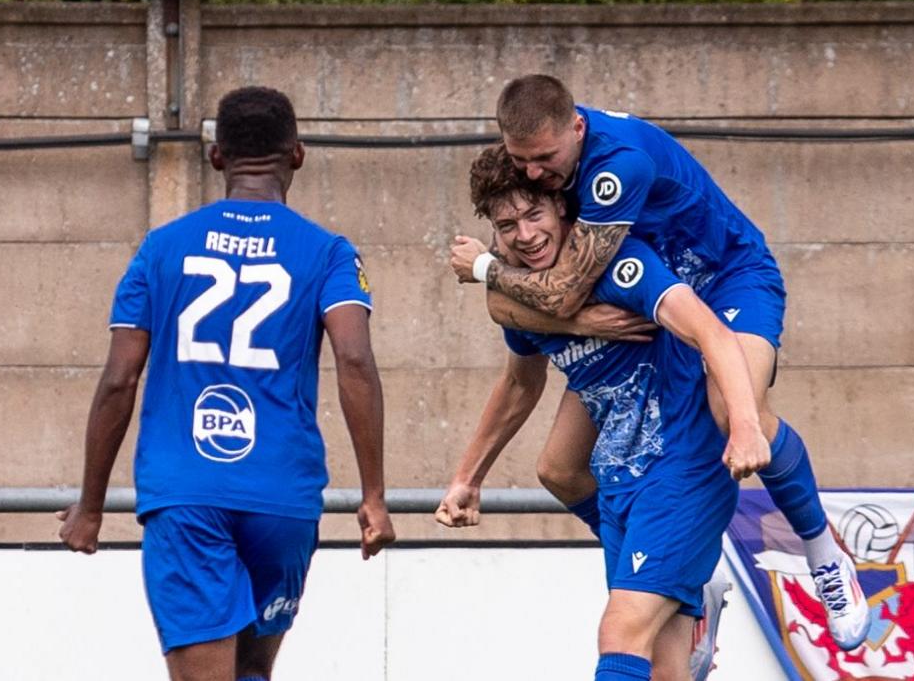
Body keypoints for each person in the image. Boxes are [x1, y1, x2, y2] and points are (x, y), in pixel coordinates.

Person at [449, 74, 868, 652]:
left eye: (544, 160)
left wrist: (486, 274)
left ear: (576, 128)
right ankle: (678, 566)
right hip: (655, 305)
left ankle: (823, 551)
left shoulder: (615, 169)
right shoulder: (550, 183)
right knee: (559, 468)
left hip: (726, 276)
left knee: (730, 406)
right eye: (524, 163)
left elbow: (564, 293)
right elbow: (530, 332)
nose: (536, 173)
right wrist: (468, 477)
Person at [57, 86, 395, 681]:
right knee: (250, 674)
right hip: (282, 497)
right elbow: (355, 361)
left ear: (215, 156)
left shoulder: (161, 249)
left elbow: (119, 380)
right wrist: (373, 496)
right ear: (298, 154)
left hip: (186, 491)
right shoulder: (330, 253)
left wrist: (90, 505)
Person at [439, 144, 765, 681]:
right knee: (664, 666)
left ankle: (681, 559)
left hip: (677, 468)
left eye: (534, 214)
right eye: (507, 225)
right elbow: (520, 382)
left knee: (619, 632)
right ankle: (684, 577)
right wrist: (466, 478)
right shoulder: (519, 294)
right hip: (624, 477)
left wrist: (747, 421)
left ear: (564, 208)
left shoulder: (618, 259)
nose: (524, 234)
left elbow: (711, 331)